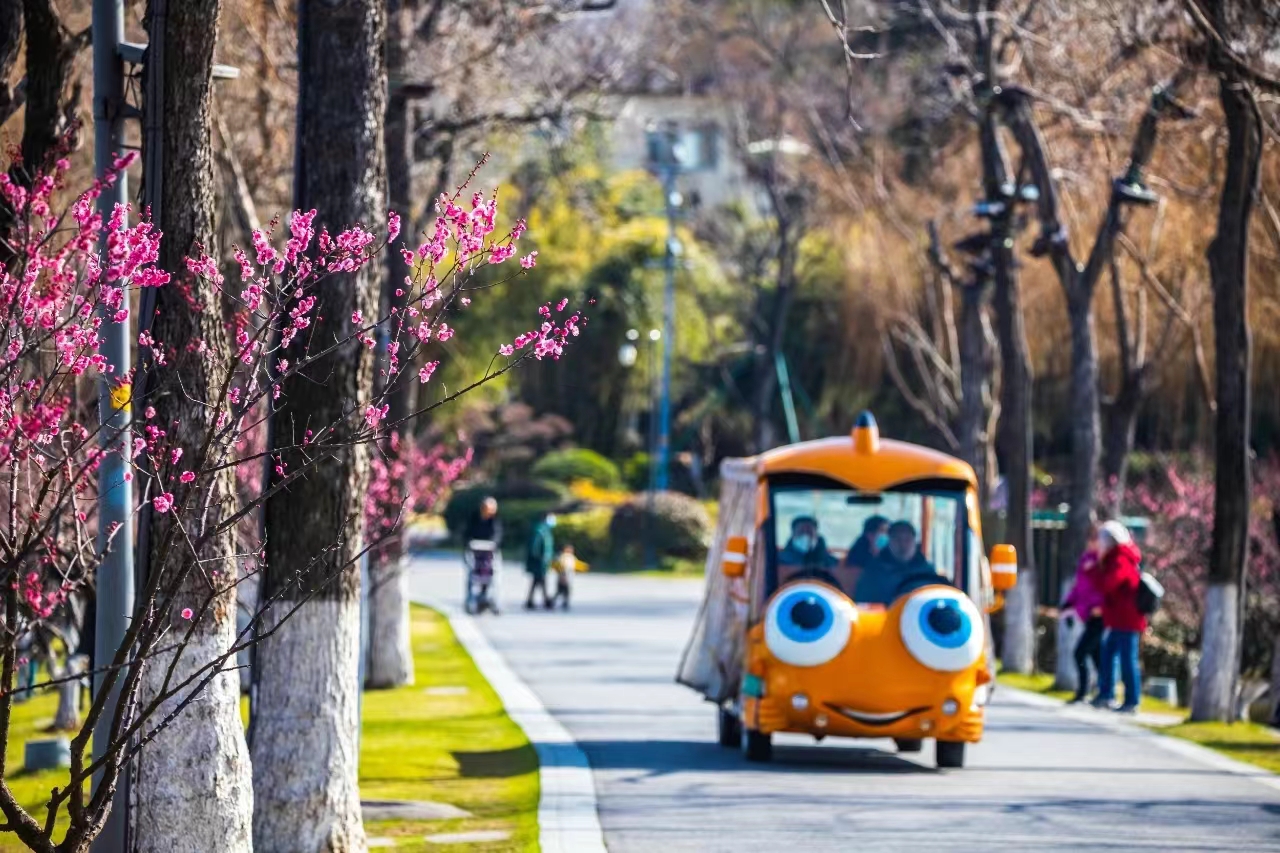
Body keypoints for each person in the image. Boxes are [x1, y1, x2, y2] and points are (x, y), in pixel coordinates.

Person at [1093, 520, 1145, 713]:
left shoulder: (1120, 559)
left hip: (1126, 619)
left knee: (1126, 659)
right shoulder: (1117, 557)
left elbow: (1109, 584)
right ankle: (1106, 694)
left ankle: (1132, 700)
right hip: (1118, 618)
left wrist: (1099, 566)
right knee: (1108, 655)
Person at [1061, 524, 1105, 704]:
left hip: (1099, 615)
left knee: (1080, 652)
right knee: (1096, 656)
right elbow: (1080, 587)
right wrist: (1069, 603)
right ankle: (1101, 691)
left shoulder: (1101, 562)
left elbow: (1105, 588)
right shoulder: (1086, 559)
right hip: (1087, 613)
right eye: (1090, 539)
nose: (1091, 543)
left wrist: (1101, 606)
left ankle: (1084, 691)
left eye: (1096, 539)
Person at [854, 520, 939, 605]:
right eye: (897, 539)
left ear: (914, 542)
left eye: (907, 539)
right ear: (889, 542)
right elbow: (863, 604)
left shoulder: (928, 572)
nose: (902, 544)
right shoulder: (873, 571)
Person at [466, 497, 503, 613]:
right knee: (474, 576)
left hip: (490, 553)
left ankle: (488, 598)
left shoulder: (495, 521)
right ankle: (473, 600)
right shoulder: (475, 518)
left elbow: (497, 534)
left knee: (492, 576)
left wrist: (492, 544)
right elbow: (468, 533)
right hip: (476, 552)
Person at [525, 512, 556, 610]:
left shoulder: (545, 530)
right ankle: (545, 601)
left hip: (542, 562)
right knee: (541, 580)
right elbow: (535, 548)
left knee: (537, 581)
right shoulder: (540, 530)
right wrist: (541, 558)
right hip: (539, 562)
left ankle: (531, 601)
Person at [550, 544, 582, 611]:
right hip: (563, 577)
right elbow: (561, 567)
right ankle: (553, 602)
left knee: (566, 592)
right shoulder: (563, 557)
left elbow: (575, 565)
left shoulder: (571, 557)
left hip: (568, 578)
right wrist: (563, 576)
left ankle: (565, 603)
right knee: (560, 591)